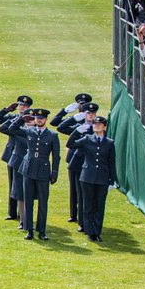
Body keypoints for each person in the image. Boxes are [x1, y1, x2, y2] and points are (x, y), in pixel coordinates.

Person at [3, 109, 60, 240]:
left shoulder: (52, 135)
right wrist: (21, 119)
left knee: (43, 202)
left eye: (42, 118)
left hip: (43, 170)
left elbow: (56, 156)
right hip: (28, 169)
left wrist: (54, 173)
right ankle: (29, 229)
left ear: (45, 119)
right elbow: (11, 128)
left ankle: (41, 231)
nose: (39, 120)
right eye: (37, 118)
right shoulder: (29, 131)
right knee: (28, 200)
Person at [69, 116, 116, 243]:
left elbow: (111, 162)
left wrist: (112, 180)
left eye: (100, 124)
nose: (97, 126)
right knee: (88, 205)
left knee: (99, 206)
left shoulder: (109, 143)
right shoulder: (87, 139)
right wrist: (77, 131)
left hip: (102, 177)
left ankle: (97, 231)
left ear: (104, 127)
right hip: (87, 176)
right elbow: (70, 144)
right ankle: (90, 231)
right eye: (95, 124)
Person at [51, 96, 95, 225]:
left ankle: (83, 217)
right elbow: (56, 124)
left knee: (83, 191)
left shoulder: (96, 124)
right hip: (74, 159)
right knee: (74, 190)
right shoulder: (75, 123)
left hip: (88, 160)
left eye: (85, 105)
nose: (82, 106)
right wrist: (66, 112)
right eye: (80, 104)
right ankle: (73, 214)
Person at [0, 95, 33, 221]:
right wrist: (6, 110)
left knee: (21, 183)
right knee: (13, 183)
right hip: (12, 153)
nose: (22, 108)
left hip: (24, 153)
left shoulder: (30, 120)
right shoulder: (12, 118)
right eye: (20, 105)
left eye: (25, 106)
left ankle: (22, 212)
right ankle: (12, 212)